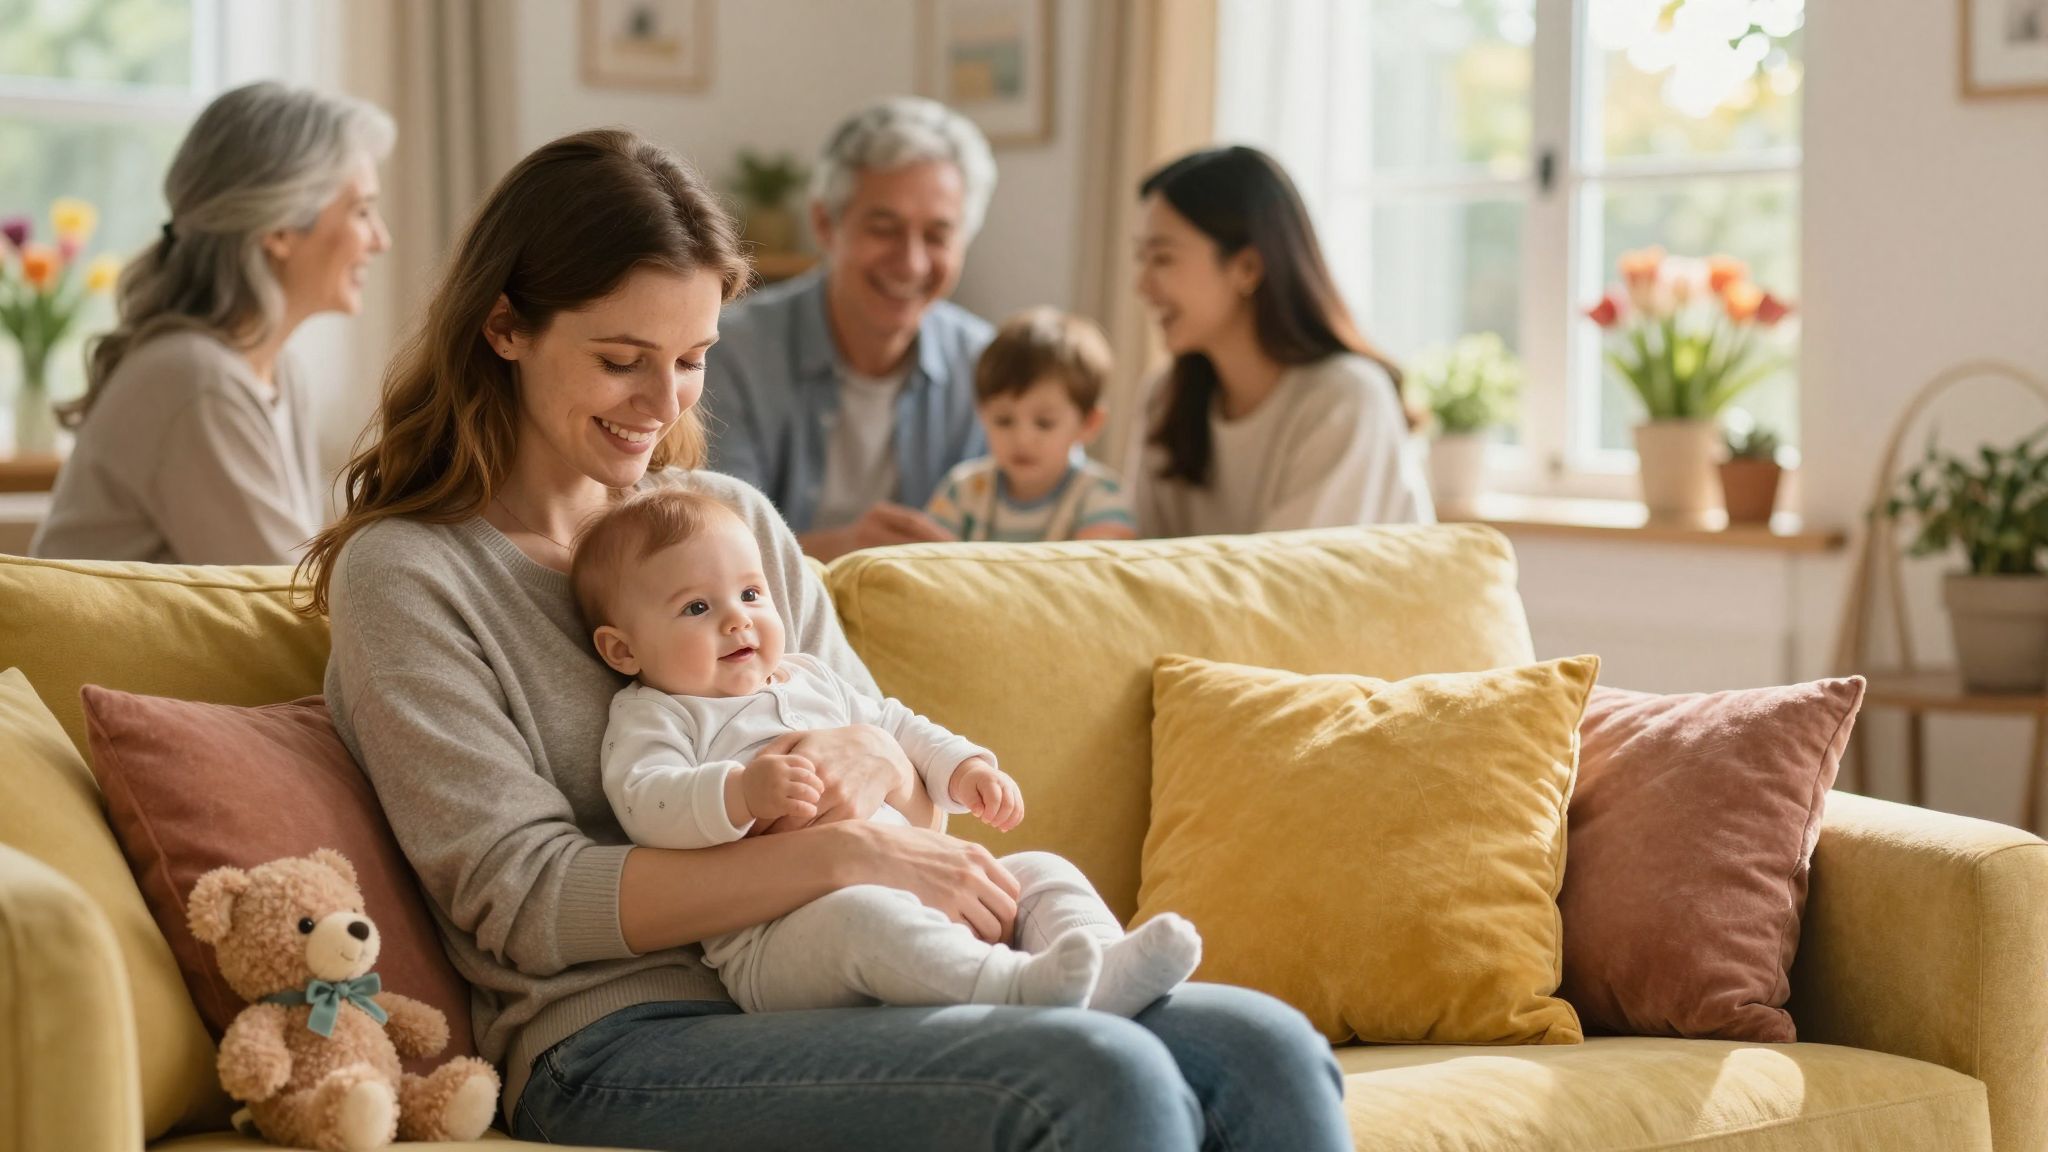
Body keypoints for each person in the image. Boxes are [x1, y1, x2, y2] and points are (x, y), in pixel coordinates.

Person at [299, 127, 1348, 1150]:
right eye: (622, 360)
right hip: (619, 1037)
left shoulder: (728, 521)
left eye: (693, 359)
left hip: (851, 972)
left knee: (1265, 1047)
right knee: (1092, 1077)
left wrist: (888, 770)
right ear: (504, 328)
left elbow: (894, 780)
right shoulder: (414, 574)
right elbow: (522, 901)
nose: (662, 404)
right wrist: (839, 848)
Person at [570, 487, 1198, 1017]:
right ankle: (1012, 990)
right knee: (867, 920)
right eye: (697, 607)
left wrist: (964, 767)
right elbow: (646, 800)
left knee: (1039, 871)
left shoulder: (806, 676)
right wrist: (738, 793)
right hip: (779, 937)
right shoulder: (654, 713)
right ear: (623, 650)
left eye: (752, 595)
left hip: (918, 878)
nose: (738, 621)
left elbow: (896, 725)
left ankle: (1106, 966)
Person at [33, 81, 393, 564]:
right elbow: (286, 604)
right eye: (362, 211)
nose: (380, 239)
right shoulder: (196, 381)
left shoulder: (273, 372)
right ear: (281, 228)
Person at [703, 97, 995, 561]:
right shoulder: (727, 353)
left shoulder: (988, 365)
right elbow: (705, 549)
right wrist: (845, 554)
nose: (912, 262)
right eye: (884, 228)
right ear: (825, 224)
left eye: (938, 236)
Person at [1127, 145, 1432, 537]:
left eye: (1162, 258)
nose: (1142, 286)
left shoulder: (1345, 399)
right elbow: (1135, 568)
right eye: (1141, 258)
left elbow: (1292, 589)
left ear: (1247, 267)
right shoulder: (1163, 399)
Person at [925, 308, 1136, 542]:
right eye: (1003, 420)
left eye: (1045, 423)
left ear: (1089, 424)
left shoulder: (1102, 498)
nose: (1022, 439)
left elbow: (1093, 573)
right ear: (982, 414)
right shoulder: (961, 491)